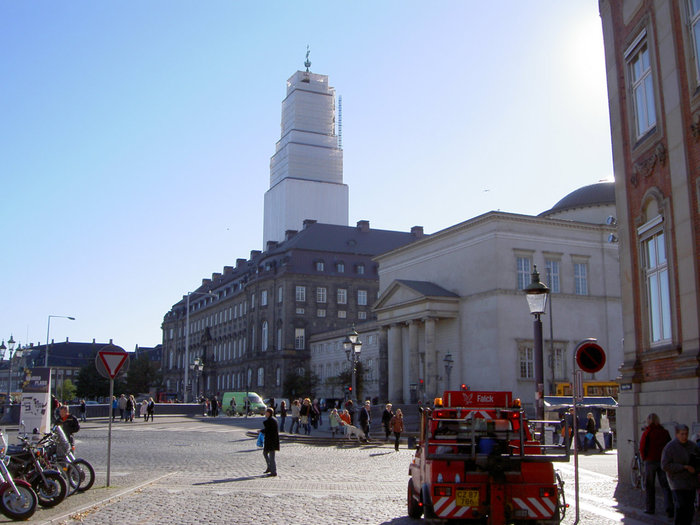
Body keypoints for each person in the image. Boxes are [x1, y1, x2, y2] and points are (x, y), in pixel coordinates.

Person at [662, 424, 700, 525]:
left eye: (686, 434)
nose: (684, 436)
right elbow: (665, 465)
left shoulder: (692, 446)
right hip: (677, 481)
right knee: (681, 506)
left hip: (691, 482)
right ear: (677, 434)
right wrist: (683, 467)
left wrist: (695, 469)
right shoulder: (670, 447)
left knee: (689, 508)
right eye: (682, 434)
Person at [640, 413, 673, 516]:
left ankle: (650, 508)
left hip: (650, 461)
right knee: (665, 485)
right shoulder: (664, 432)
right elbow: (669, 446)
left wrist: (644, 458)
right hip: (662, 460)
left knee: (650, 486)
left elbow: (642, 446)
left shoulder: (648, 432)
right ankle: (669, 508)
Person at [259, 408, 279, 477]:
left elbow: (268, 430)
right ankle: (269, 467)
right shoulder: (272, 420)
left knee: (271, 457)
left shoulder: (271, 421)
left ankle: (273, 471)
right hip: (270, 441)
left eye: (266, 413)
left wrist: (261, 431)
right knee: (265, 453)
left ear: (269, 413)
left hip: (271, 441)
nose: (265, 414)